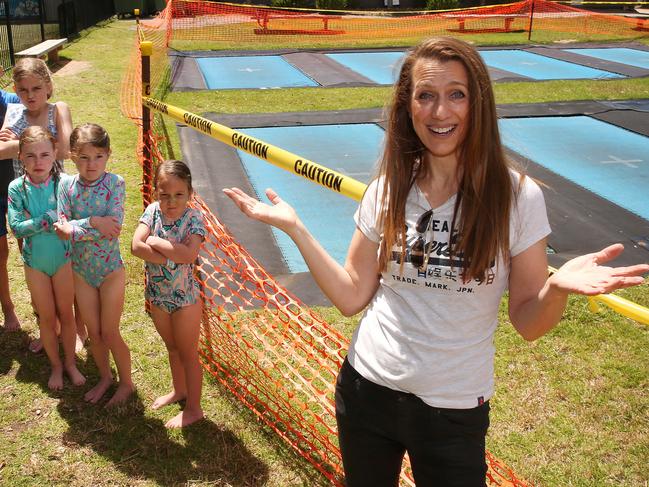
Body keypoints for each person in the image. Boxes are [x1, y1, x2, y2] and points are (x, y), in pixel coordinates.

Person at [223, 37, 649, 486]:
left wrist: (556, 288)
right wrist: (296, 228)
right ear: (408, 107)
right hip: (367, 389)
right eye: (425, 95)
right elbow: (351, 296)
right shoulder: (387, 190)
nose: (440, 112)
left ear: (477, 102)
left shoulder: (518, 197)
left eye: (456, 94)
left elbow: (528, 323)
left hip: (453, 410)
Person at [54, 123, 134, 407]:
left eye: (98, 157)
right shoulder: (65, 185)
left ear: (108, 155)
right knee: (95, 333)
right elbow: (62, 227)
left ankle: (126, 382)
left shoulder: (116, 183)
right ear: (73, 156)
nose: (91, 165)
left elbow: (114, 228)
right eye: (84, 157)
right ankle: (105, 377)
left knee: (110, 332)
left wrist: (82, 228)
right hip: (82, 274)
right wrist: (93, 222)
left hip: (111, 271)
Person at [7, 126, 85, 390]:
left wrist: (38, 220)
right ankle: (55, 366)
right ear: (20, 158)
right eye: (30, 156)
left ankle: (71, 364)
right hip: (35, 264)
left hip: (63, 261)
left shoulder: (64, 184)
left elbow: (73, 218)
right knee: (47, 318)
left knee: (67, 314)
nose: (37, 162)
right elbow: (16, 227)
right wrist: (48, 218)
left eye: (43, 154)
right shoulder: (16, 188)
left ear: (55, 154)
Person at [131, 159, 206, 428]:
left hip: (184, 299)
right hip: (158, 296)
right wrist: (169, 256)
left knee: (188, 353)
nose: (171, 202)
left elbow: (190, 254)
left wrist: (157, 241)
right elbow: (135, 246)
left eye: (178, 195)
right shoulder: (152, 212)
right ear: (155, 194)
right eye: (164, 195)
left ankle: (194, 409)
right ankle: (179, 391)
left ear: (190, 194)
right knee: (172, 347)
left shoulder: (194, 218)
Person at [0, 87, 21, 331]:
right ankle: (8, 310)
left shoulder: (14, 101)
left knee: (29, 250)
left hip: (19, 187)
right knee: (0, 255)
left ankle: (41, 309)